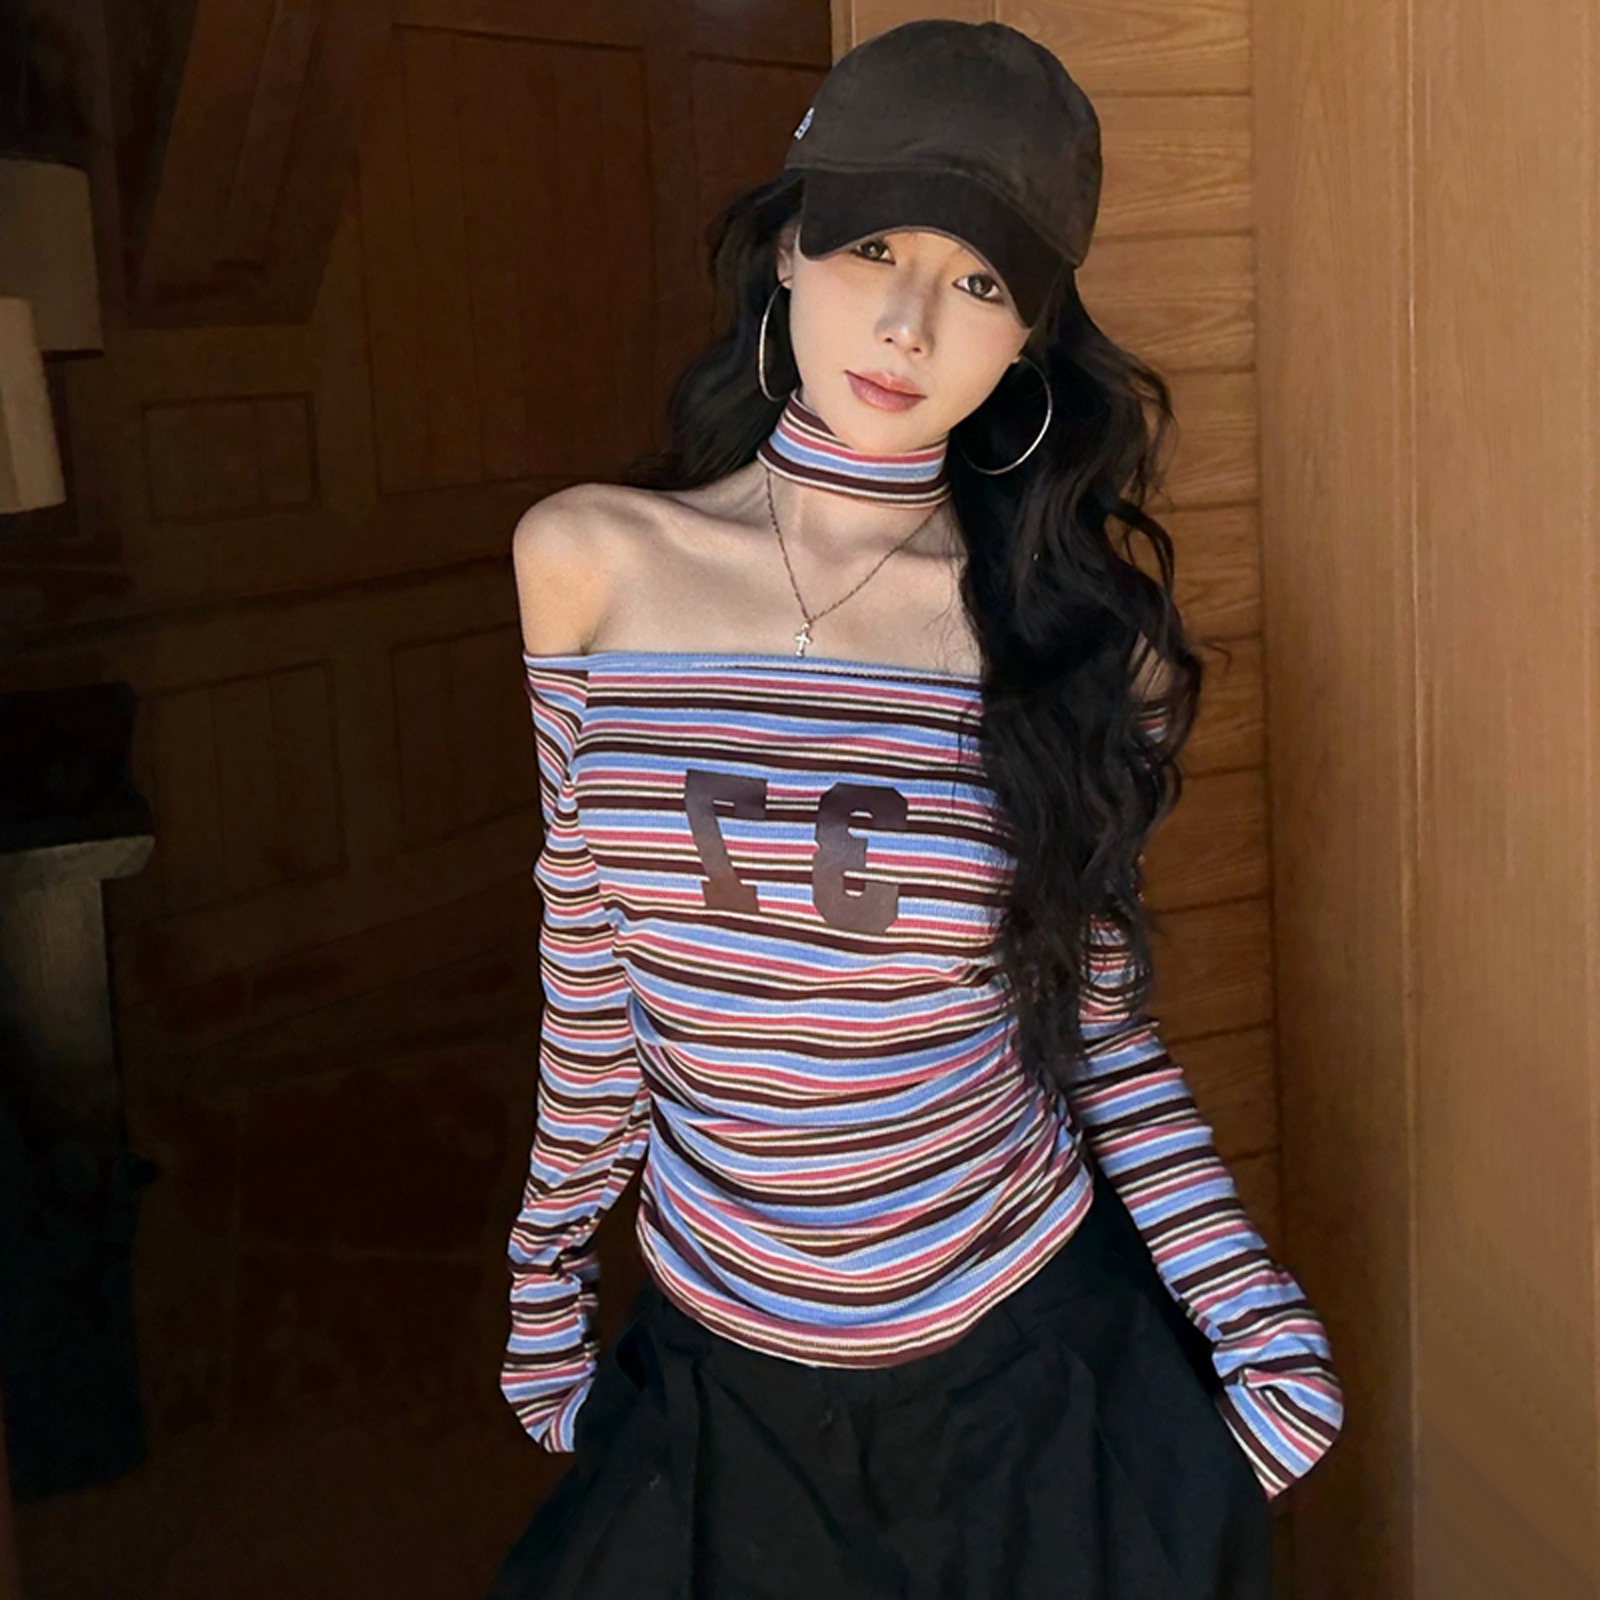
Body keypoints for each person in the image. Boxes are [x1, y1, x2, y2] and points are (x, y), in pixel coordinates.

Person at [488, 19, 1343, 1600]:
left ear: (1030, 336)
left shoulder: (1082, 652)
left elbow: (1096, 1033)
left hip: (1017, 1361)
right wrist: (545, 1269)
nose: (906, 322)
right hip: (720, 1365)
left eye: (981, 281)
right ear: (787, 251)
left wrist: (1256, 1319)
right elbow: (595, 967)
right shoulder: (588, 564)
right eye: (874, 245)